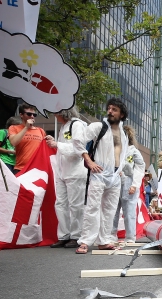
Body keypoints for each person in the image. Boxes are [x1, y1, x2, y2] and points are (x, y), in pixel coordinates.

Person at [74, 98, 129, 254]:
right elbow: (78, 141)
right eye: (109, 108)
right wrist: (89, 161)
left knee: (110, 210)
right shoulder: (99, 127)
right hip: (99, 173)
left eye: (114, 109)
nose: (110, 111)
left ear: (122, 114)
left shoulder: (124, 134)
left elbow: (122, 155)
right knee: (92, 207)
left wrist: (120, 171)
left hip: (115, 176)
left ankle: (103, 240)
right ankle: (85, 241)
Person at [44, 108, 87, 249]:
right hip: (62, 171)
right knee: (61, 204)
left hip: (75, 171)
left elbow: (78, 149)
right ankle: (64, 235)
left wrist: (57, 144)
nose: (54, 115)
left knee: (76, 205)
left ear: (64, 112)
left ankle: (76, 235)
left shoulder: (77, 125)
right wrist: (55, 142)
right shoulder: (64, 127)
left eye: (56, 112)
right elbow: (66, 147)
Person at [113, 126, 145, 243]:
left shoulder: (133, 151)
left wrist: (135, 184)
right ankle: (111, 235)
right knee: (113, 211)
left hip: (129, 184)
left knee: (129, 211)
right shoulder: (115, 149)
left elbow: (140, 168)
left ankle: (130, 237)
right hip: (115, 184)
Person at [9, 103, 47, 174]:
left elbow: (45, 149)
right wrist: (26, 127)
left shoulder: (40, 131)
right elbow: (13, 142)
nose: (32, 116)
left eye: (34, 115)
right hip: (21, 169)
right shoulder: (14, 128)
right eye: (29, 114)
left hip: (37, 169)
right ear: (21, 115)